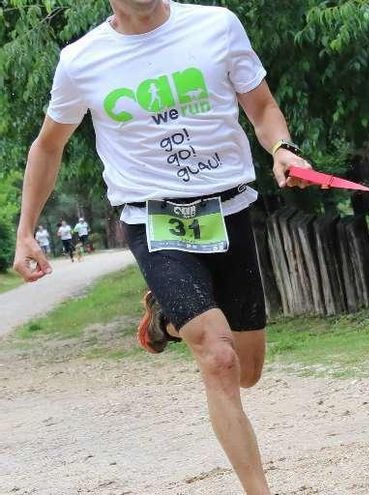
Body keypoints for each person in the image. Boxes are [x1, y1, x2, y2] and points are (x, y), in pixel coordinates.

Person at [13, 1, 312, 493]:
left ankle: (168, 316)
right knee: (219, 358)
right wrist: (27, 229)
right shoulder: (82, 59)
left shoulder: (216, 25)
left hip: (228, 206)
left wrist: (282, 149)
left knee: (249, 369)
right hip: (154, 218)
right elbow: (48, 145)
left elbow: (260, 106)